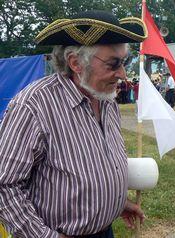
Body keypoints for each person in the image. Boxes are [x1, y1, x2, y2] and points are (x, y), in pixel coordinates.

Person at [0, 10, 148, 237]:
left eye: (125, 61)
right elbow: (5, 186)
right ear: (76, 63)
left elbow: (94, 167)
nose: (122, 74)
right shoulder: (33, 106)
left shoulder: (106, 100)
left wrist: (115, 204)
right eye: (113, 63)